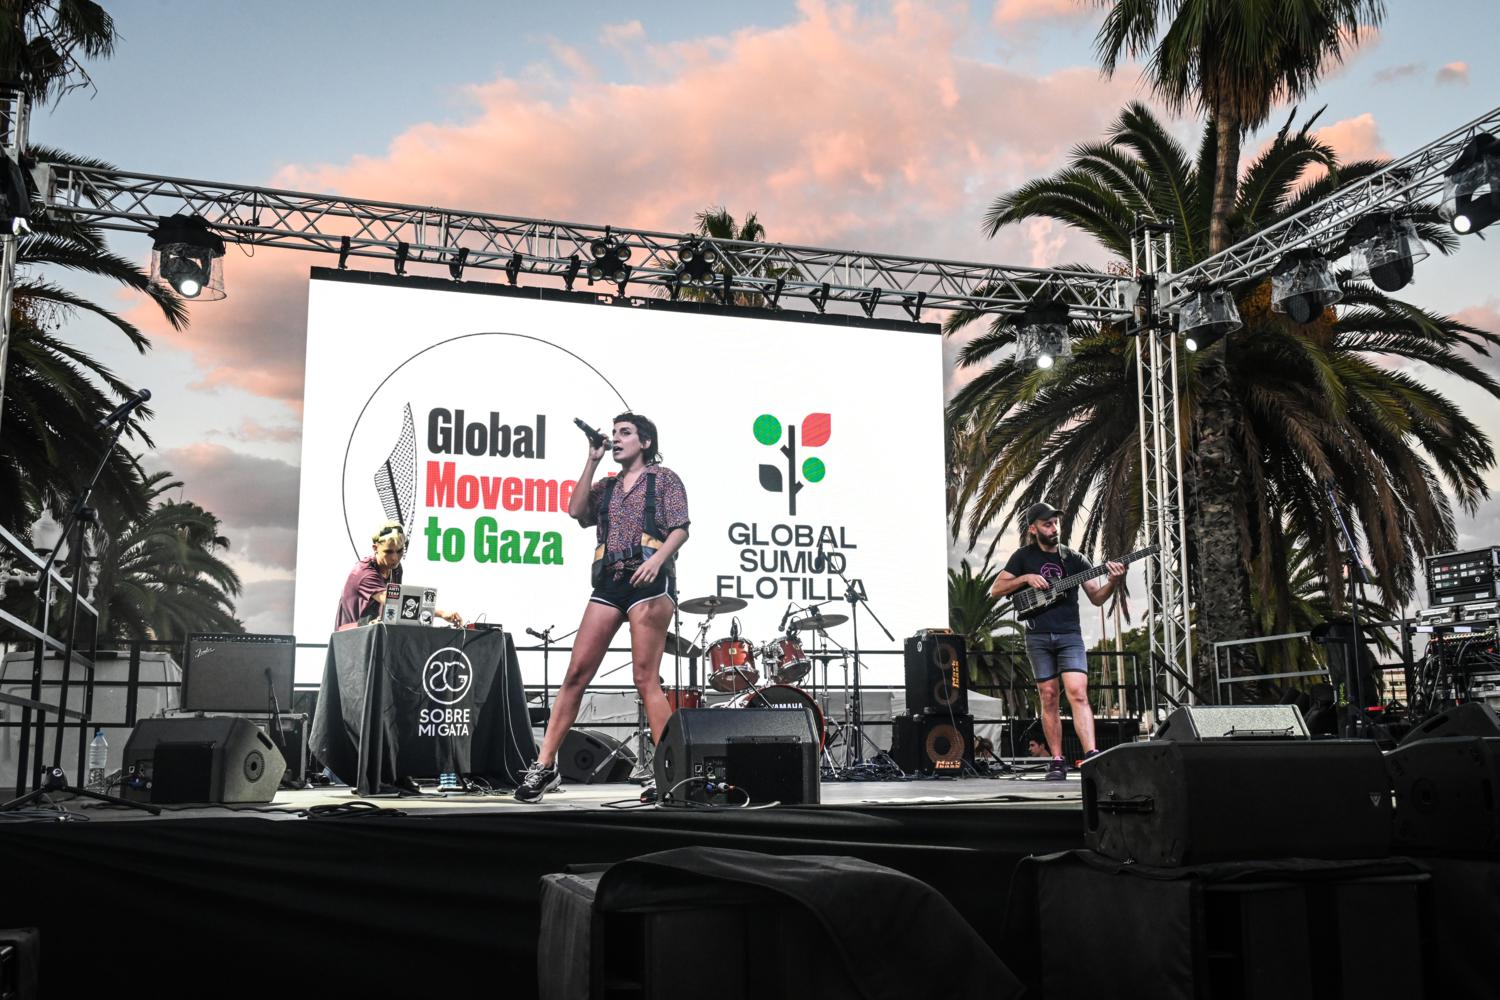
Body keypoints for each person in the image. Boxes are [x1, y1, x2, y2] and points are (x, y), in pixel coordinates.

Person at [515, 413, 690, 802]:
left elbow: (681, 528)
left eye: (625, 433)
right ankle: (544, 767)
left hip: (649, 579)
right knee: (575, 673)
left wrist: (658, 561)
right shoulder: (607, 485)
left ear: (646, 442)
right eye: (613, 434)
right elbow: (576, 511)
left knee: (645, 678)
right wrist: (592, 460)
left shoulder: (664, 479)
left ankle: (669, 773)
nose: (616, 439)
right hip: (610, 580)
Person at [990, 501, 1125, 781]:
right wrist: (1026, 578)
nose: (1054, 528)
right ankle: (1056, 760)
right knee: (1048, 696)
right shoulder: (1023, 557)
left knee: (1078, 692)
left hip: (1069, 635)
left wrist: (1112, 582)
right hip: (1038, 636)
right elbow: (996, 590)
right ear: (1033, 529)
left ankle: (1091, 756)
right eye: (1047, 524)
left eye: (1055, 523)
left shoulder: (1074, 559)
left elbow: (1096, 597)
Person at [333, 522, 463, 629]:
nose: (395, 558)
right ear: (375, 548)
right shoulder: (364, 573)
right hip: (350, 638)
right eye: (388, 552)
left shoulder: (395, 569)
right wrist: (442, 613)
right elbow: (395, 603)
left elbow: (396, 609)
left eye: (400, 551)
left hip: (373, 633)